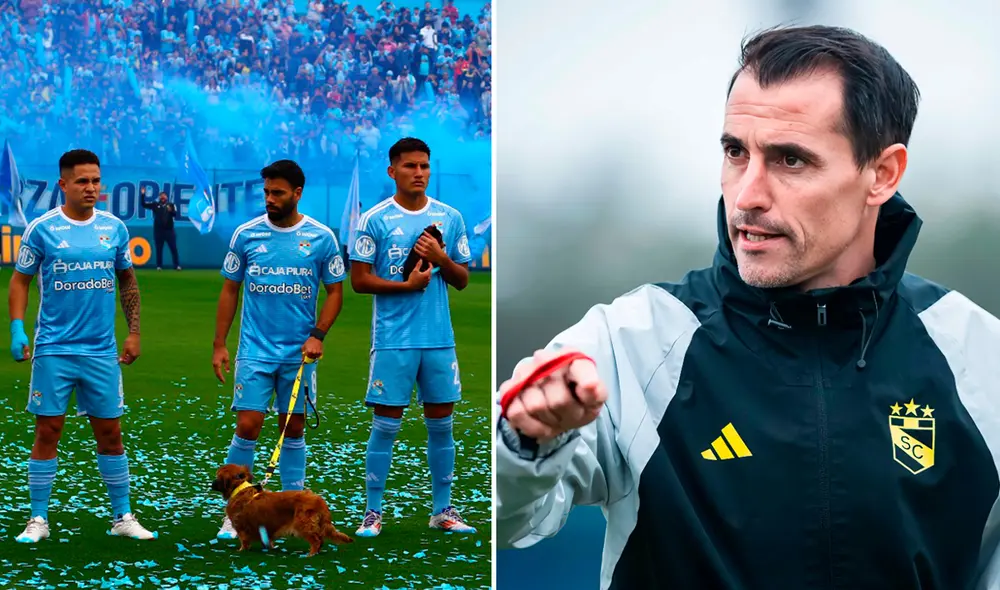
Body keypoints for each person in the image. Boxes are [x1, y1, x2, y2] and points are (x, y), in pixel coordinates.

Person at [495, 25, 1000, 590]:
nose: (747, 194)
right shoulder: (629, 343)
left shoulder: (978, 357)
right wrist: (525, 444)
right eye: (736, 152)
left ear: (882, 174)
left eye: (790, 160)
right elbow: (506, 522)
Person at [8, 149, 155, 542]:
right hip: (54, 348)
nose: (91, 188)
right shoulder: (42, 229)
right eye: (82, 181)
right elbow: (20, 280)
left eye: (95, 180)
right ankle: (38, 520)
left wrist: (135, 330)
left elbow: (127, 280)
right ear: (63, 185)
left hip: (101, 351)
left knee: (110, 433)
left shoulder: (114, 228)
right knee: (48, 431)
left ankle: (123, 517)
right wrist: (17, 329)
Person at [211, 159, 346, 540]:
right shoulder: (246, 235)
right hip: (255, 349)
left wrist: (318, 333)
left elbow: (336, 292)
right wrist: (220, 343)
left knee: (294, 427)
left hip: (299, 354)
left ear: (298, 193)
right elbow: (229, 290)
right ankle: (235, 511)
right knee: (248, 424)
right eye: (266, 192)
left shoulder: (321, 238)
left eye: (278, 192)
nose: (270, 198)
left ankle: (291, 508)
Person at [350, 137, 476, 537]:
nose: (418, 173)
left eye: (424, 166)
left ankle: (443, 510)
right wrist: (407, 286)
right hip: (393, 339)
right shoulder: (373, 220)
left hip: (439, 338)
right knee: (386, 424)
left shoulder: (449, 217)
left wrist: (441, 260)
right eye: (410, 167)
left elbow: (462, 280)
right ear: (392, 171)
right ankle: (373, 512)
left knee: (442, 425)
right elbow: (358, 281)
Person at [140, 188, 181, 270]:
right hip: (158, 231)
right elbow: (143, 204)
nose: (162, 197)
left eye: (164, 196)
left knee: (173, 248)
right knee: (159, 249)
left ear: (166, 197)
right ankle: (159, 266)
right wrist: (143, 195)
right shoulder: (155, 205)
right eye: (161, 196)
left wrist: (171, 211)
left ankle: (176, 265)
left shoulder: (171, 205)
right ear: (159, 197)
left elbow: (175, 214)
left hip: (169, 231)